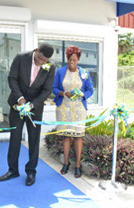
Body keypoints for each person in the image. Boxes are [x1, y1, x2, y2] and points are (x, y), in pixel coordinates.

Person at [0, 43, 55, 186]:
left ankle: (31, 171)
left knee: (34, 141)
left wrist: (32, 104)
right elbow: (12, 78)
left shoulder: (51, 67)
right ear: (36, 51)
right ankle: (12, 170)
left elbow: (47, 90)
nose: (41, 62)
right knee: (15, 138)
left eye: (44, 61)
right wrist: (20, 98)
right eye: (40, 58)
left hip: (35, 109)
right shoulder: (21, 57)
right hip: (17, 105)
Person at [52, 45, 93, 178]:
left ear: (78, 59)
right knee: (66, 136)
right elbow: (54, 89)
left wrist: (82, 95)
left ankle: (78, 165)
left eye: (74, 60)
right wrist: (64, 93)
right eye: (69, 60)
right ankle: (66, 163)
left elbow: (90, 90)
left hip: (79, 109)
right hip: (64, 108)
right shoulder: (60, 71)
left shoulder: (85, 73)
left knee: (78, 136)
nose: (71, 63)